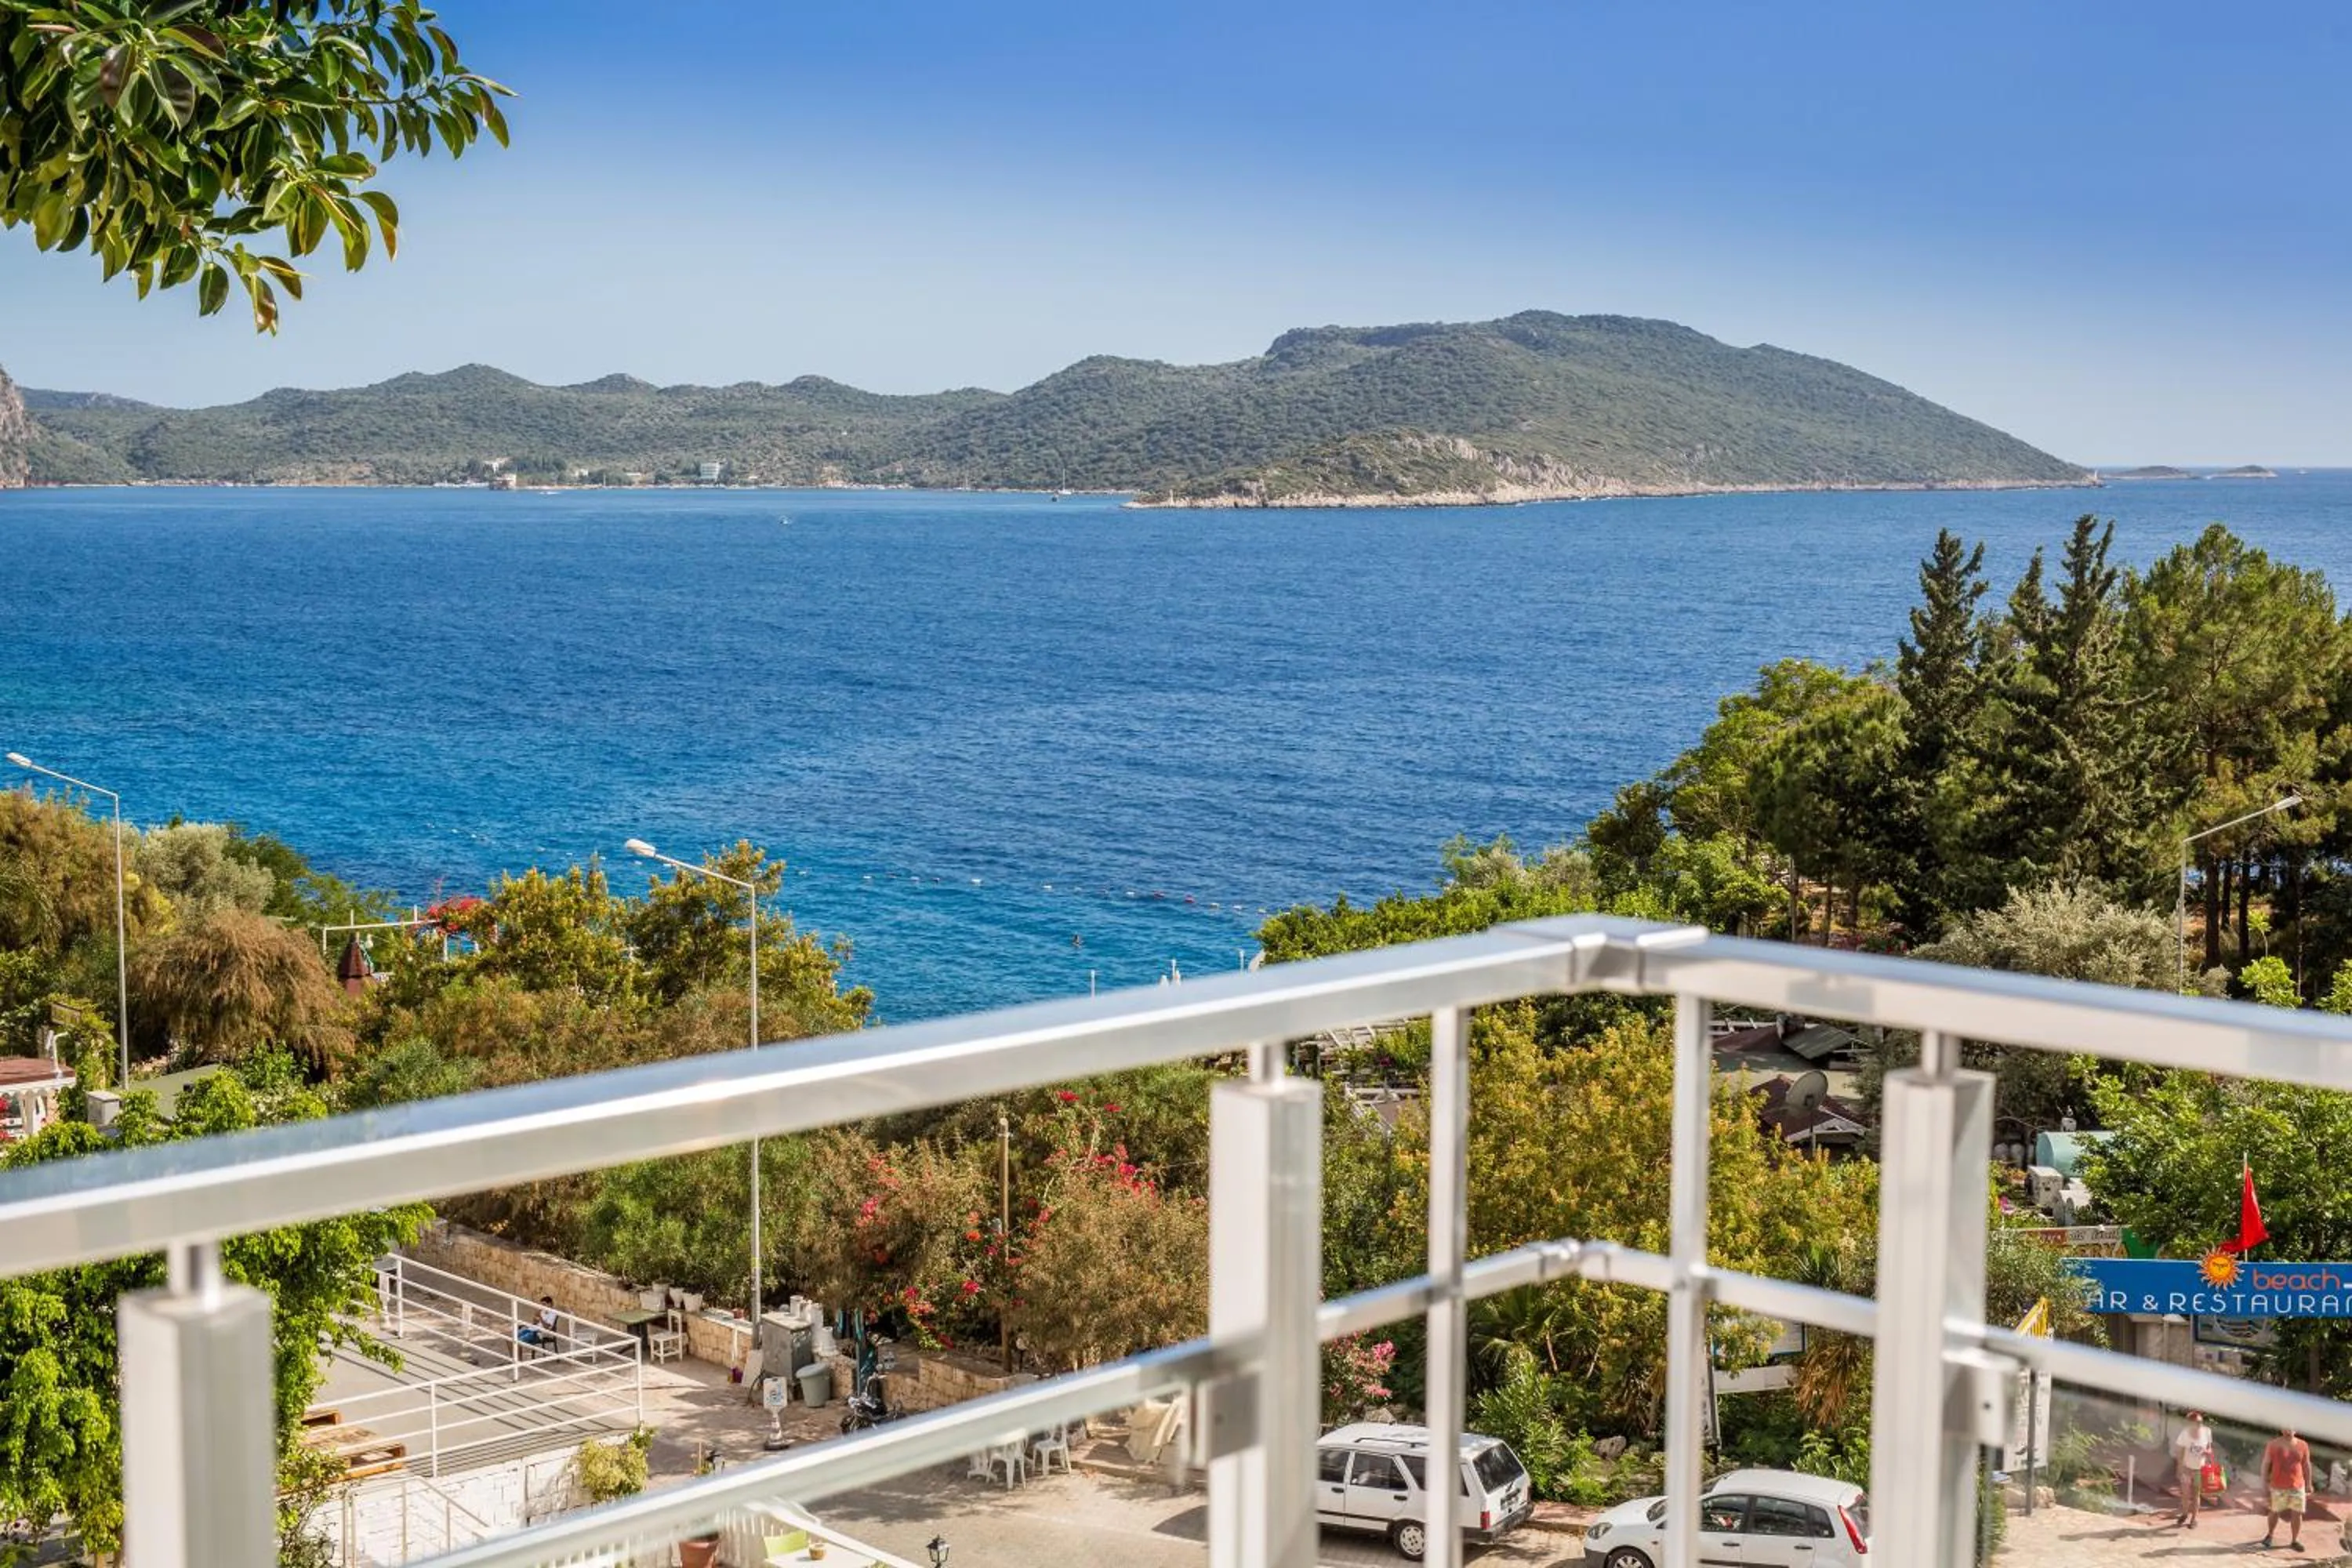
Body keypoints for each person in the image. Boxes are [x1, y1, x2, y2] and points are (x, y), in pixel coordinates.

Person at [2263, 1425, 2314, 1552]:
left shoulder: (2303, 1445)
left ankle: (2294, 1540)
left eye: (2291, 1427)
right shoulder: (2273, 1444)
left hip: (2298, 1485)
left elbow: (2306, 1465)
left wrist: (2309, 1483)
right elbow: (2266, 1463)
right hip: (2278, 1485)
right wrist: (2264, 1481)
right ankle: (2270, 1535)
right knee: (2275, 1511)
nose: (2288, 1430)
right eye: (2285, 1428)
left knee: (2297, 1513)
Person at [2172, 1410, 2214, 1527]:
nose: (2200, 1424)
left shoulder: (2207, 1432)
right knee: (2185, 1494)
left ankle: (2194, 1519)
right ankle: (2185, 1514)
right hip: (2187, 1468)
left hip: (2199, 1470)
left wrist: (2207, 1452)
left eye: (2201, 1422)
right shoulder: (2185, 1434)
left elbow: (2210, 1448)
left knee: (2196, 1494)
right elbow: (2180, 1452)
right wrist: (2179, 1468)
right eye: (2197, 1422)